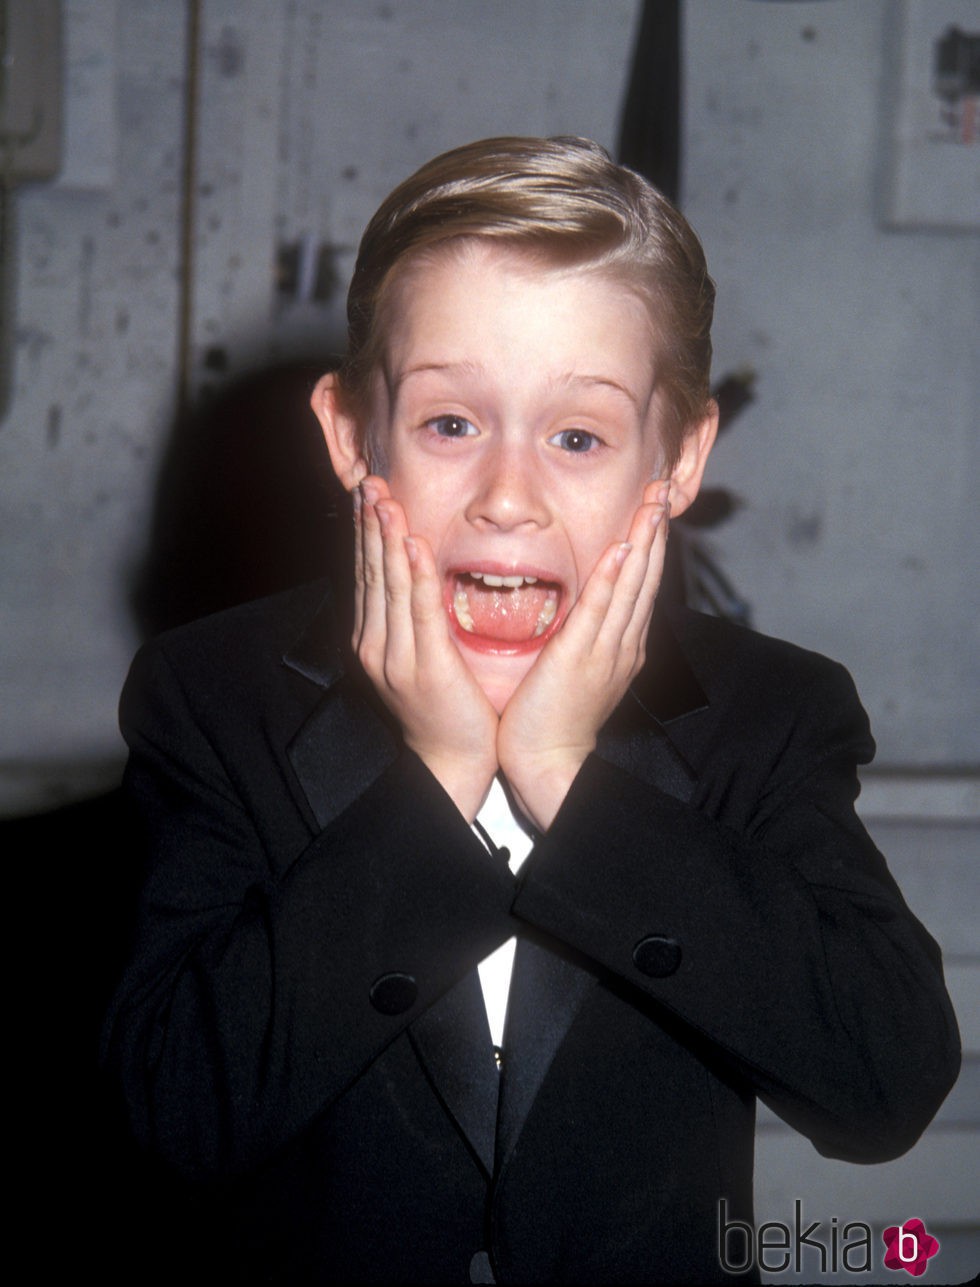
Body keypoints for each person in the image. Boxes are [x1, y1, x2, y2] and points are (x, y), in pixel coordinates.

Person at [102, 137, 960, 1285]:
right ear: (354, 437)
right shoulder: (215, 697)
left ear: (677, 455)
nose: (508, 498)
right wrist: (437, 773)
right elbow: (176, 1112)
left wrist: (566, 770)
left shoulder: (767, 713)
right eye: (451, 424)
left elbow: (882, 1086)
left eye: (577, 436)